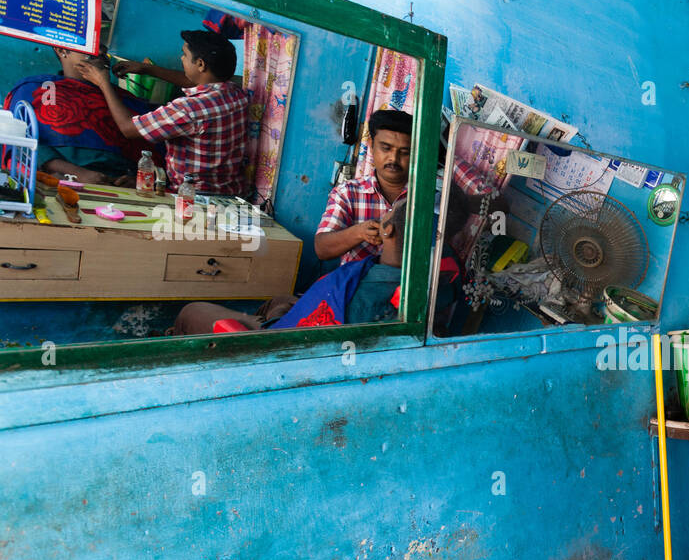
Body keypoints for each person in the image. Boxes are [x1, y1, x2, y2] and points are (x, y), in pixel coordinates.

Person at [169, 198, 406, 335]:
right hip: (311, 323)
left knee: (192, 311)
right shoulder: (404, 279)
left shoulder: (367, 292)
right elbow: (322, 248)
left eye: (389, 213)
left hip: (280, 347)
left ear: (388, 230)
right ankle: (268, 318)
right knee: (280, 301)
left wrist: (280, 323)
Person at [77, 29, 250, 195]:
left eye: (184, 54)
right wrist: (147, 69)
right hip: (230, 191)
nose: (181, 58)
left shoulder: (188, 109)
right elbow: (193, 82)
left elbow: (128, 128)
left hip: (193, 197)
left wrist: (103, 82)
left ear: (200, 64)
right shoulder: (235, 93)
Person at [3, 46, 152, 185]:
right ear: (62, 50)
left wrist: (137, 180)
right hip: (62, 181)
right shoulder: (34, 89)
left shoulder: (125, 100)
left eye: (104, 48)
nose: (100, 52)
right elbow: (20, 142)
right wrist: (77, 173)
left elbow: (152, 153)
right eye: (91, 45)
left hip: (119, 187)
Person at [314, 109, 412, 264]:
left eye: (404, 152)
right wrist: (359, 232)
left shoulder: (425, 196)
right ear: (372, 145)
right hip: (358, 284)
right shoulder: (347, 193)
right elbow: (322, 249)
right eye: (386, 148)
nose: (393, 158)